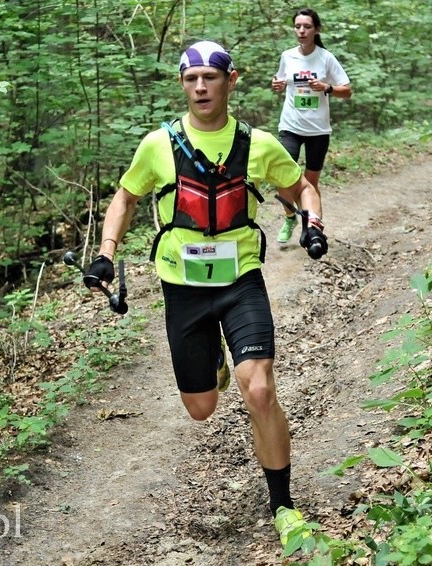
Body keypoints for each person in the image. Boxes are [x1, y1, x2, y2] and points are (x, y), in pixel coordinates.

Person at [84, 40, 328, 525]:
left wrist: (312, 222)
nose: (200, 87)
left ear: (230, 81)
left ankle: (283, 507)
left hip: (240, 280)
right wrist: (106, 253)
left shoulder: (257, 145)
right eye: (191, 79)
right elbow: (125, 198)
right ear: (182, 84)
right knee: (201, 409)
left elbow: (301, 187)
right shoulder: (158, 146)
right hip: (183, 287)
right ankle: (214, 359)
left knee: (258, 389)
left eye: (210, 78)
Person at [271, 8, 352, 244]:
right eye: (298, 26)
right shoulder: (287, 56)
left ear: (316, 30)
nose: (302, 31)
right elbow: (280, 82)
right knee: (283, 177)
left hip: (318, 130)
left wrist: (326, 87)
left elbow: (347, 91)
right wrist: (277, 86)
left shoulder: (326, 58)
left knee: (311, 183)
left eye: (307, 26)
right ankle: (289, 218)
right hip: (290, 125)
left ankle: (314, 231)